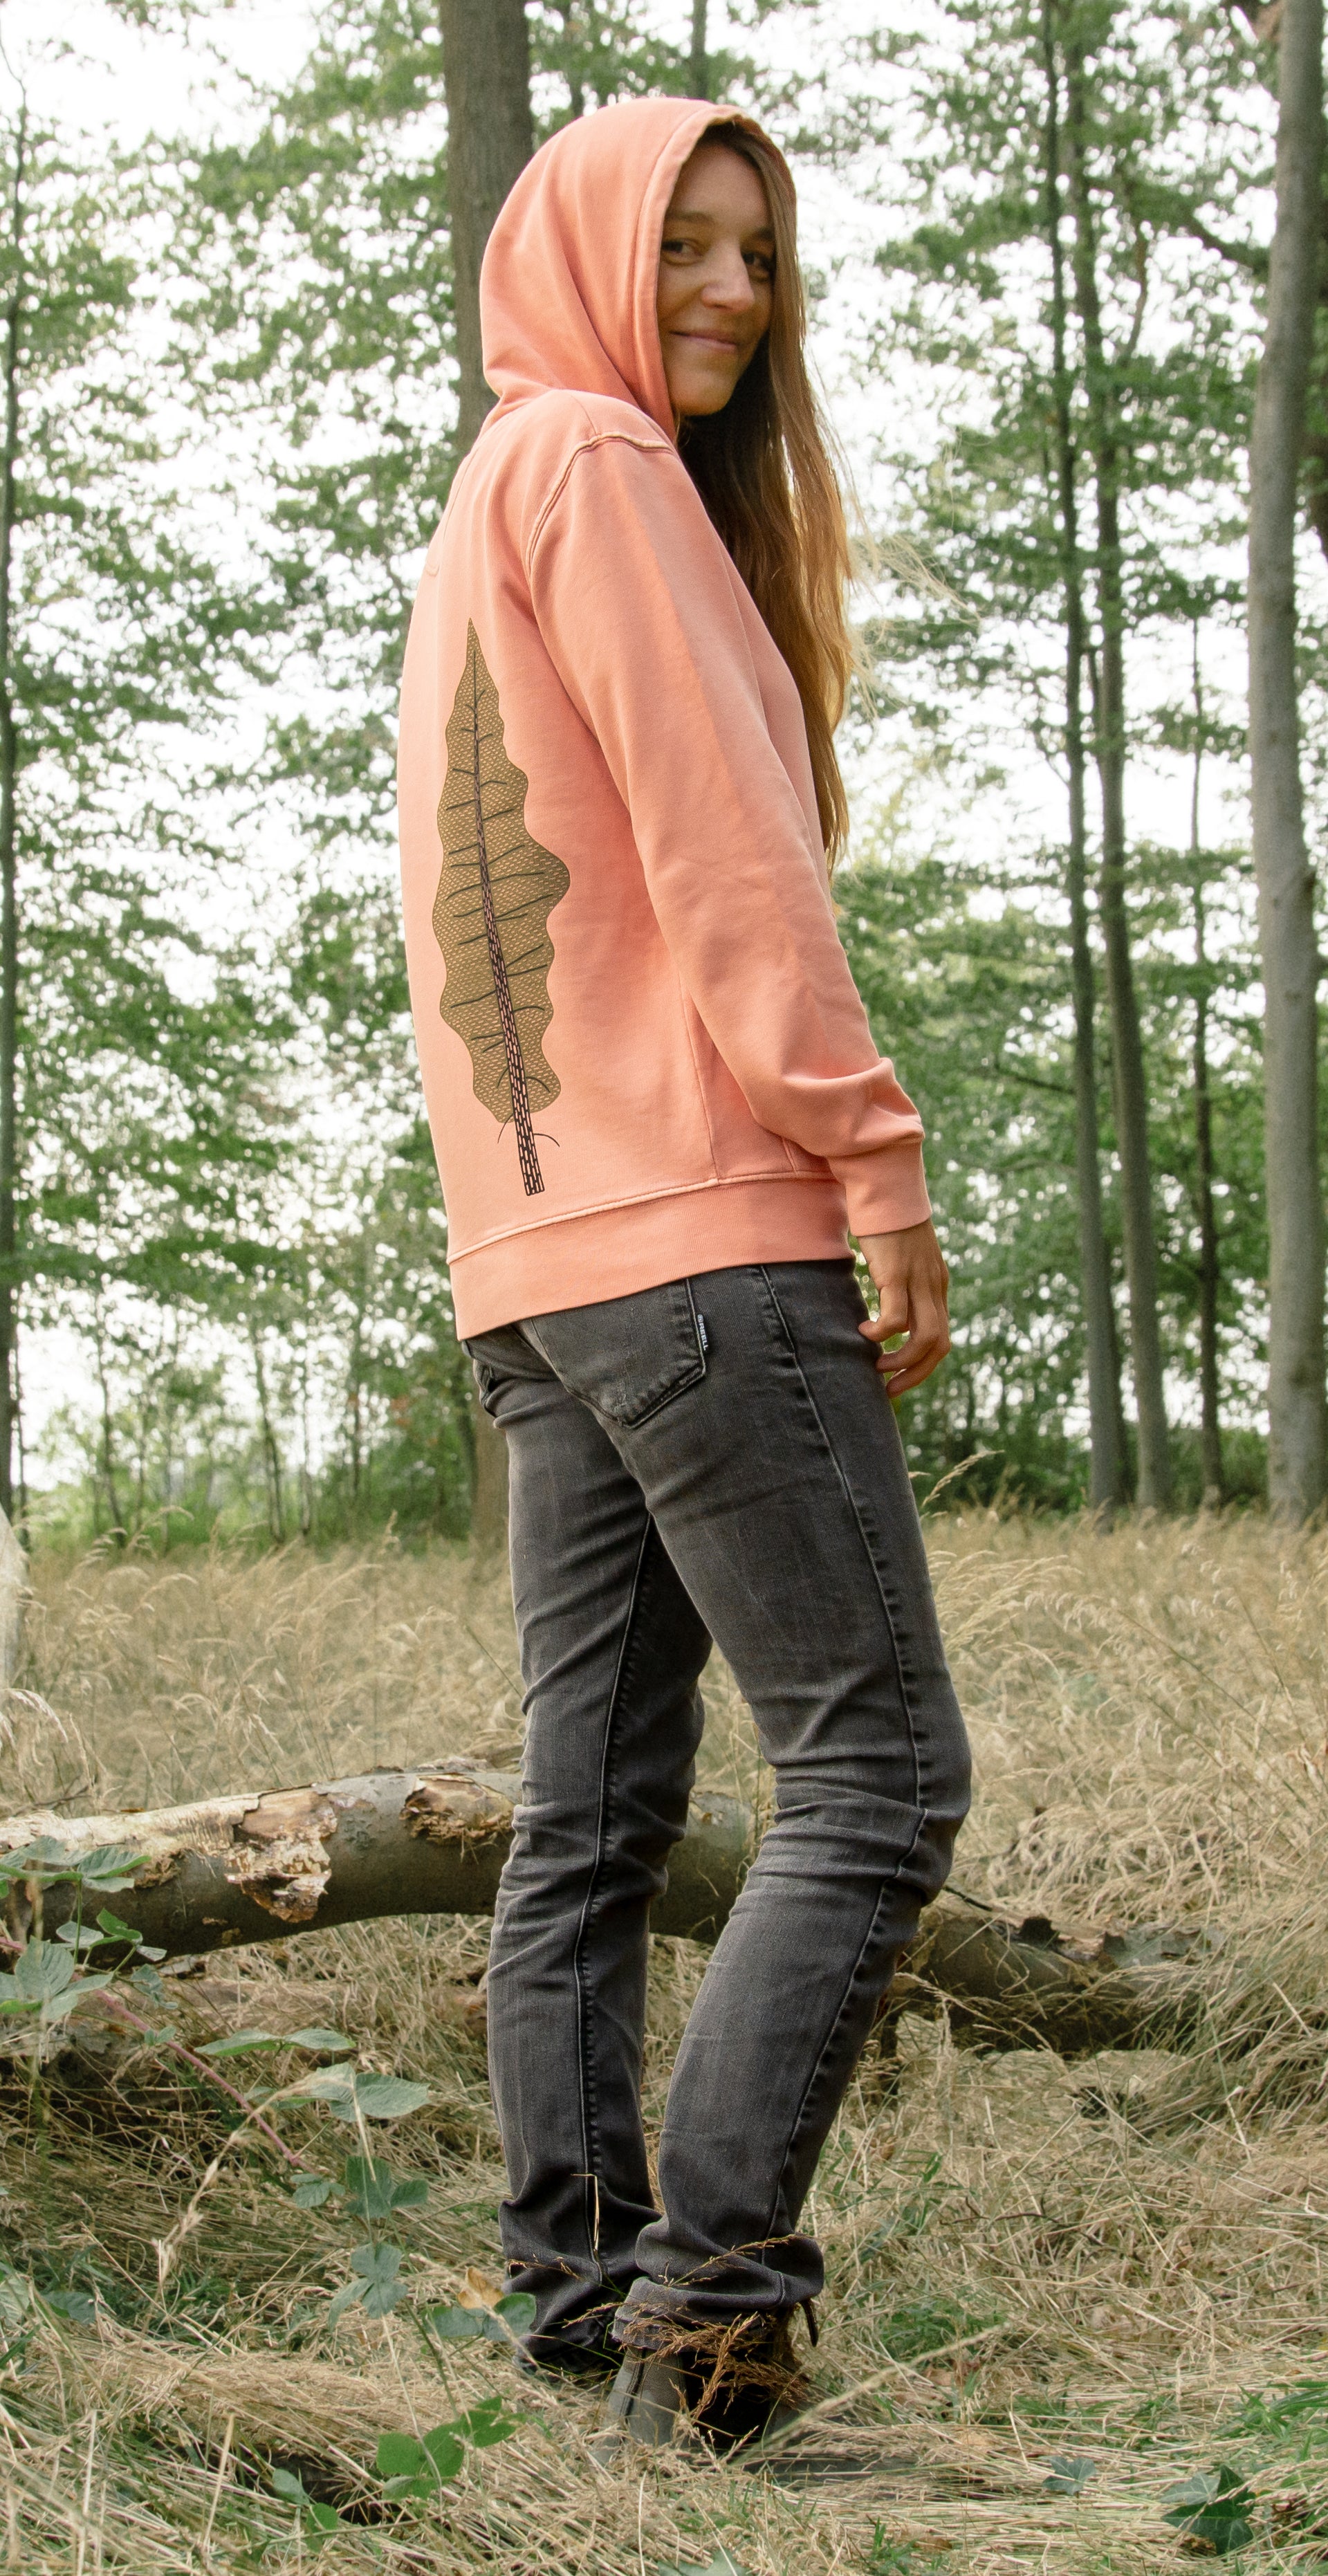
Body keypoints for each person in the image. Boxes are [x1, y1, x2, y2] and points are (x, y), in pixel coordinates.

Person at [397, 94, 970, 2458]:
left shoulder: (491, 498)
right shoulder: (603, 468)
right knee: (879, 1773)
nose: (734, 290)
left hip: (545, 1267)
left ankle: (566, 2298)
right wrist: (872, 1152)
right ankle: (708, 2324)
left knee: (592, 1813)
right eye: (688, 246)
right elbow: (731, 858)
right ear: (585, 256)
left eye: (761, 253)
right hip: (705, 1237)